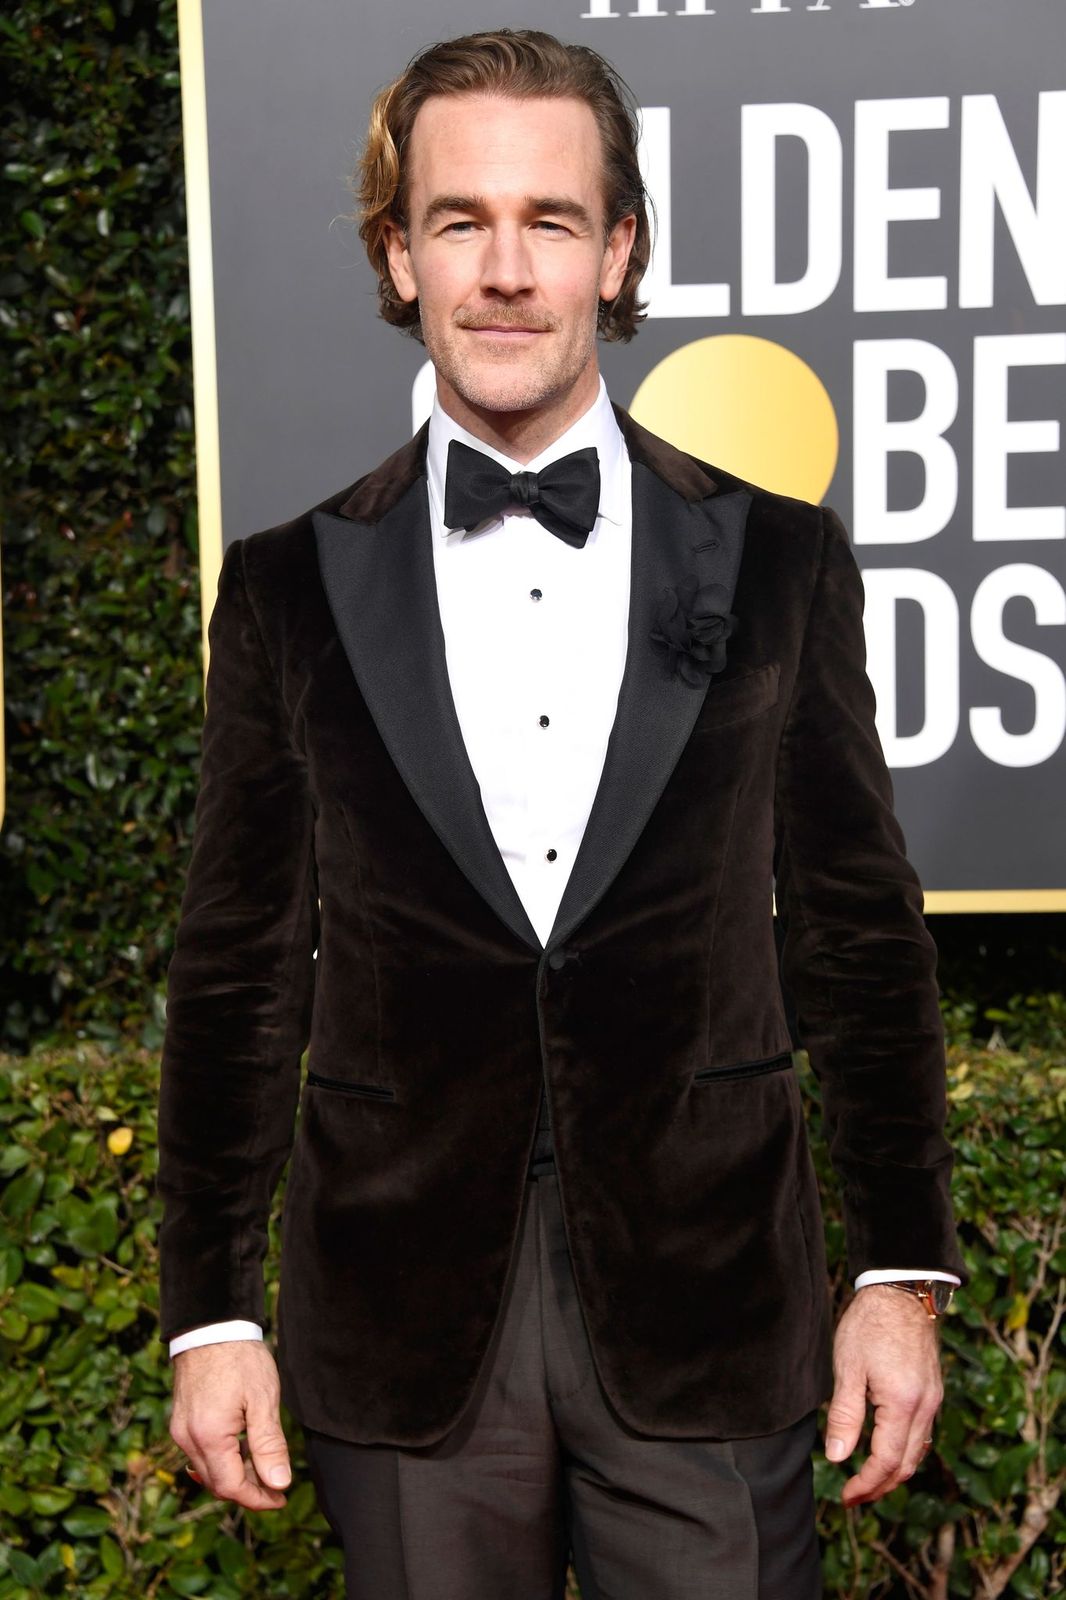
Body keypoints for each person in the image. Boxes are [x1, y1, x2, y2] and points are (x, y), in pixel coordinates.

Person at [157, 27, 966, 1599]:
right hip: (400, 1316)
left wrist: (894, 1272)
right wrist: (210, 1309)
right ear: (400, 257)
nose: (506, 268)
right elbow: (239, 963)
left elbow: (862, 933)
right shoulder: (285, 586)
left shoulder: (776, 560)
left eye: (550, 222)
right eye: (460, 221)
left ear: (619, 249)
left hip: (710, 1296)